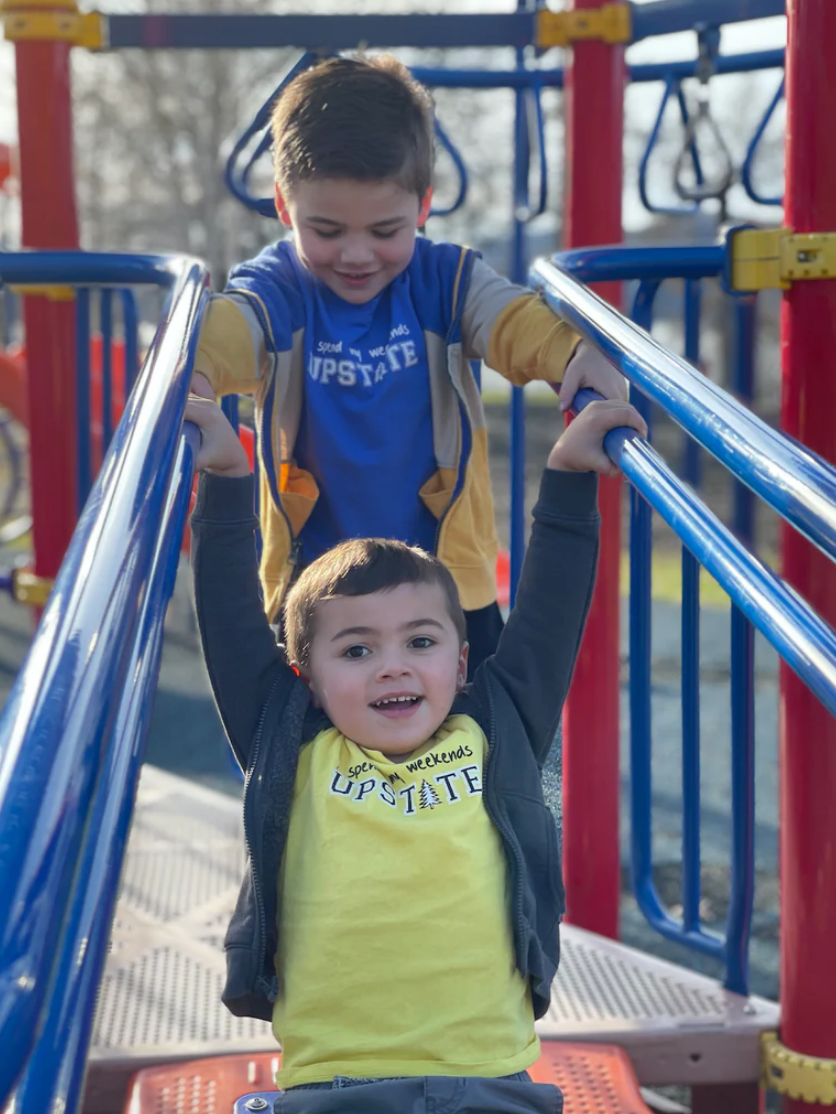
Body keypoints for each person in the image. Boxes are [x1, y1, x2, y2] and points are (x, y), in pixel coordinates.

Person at [186, 390, 646, 1113]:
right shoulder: (290, 744)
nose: (392, 666)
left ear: (461, 664)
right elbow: (229, 622)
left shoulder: (497, 731)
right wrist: (226, 481)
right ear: (306, 678)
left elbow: (550, 617)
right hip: (333, 1085)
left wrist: (568, 476)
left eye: (420, 642)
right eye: (357, 648)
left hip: (488, 1078)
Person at [190, 54, 627, 675]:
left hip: (448, 589)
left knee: (478, 751)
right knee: (311, 761)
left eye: (385, 229)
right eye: (328, 230)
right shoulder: (280, 288)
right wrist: (196, 375)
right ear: (285, 208)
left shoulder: (445, 281)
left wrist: (574, 353)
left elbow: (510, 318)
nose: (357, 254)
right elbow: (228, 329)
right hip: (317, 591)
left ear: (423, 207)